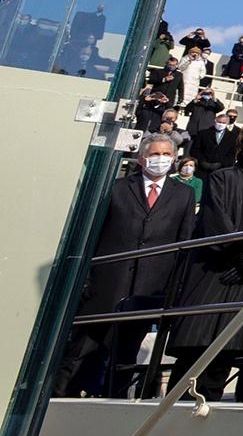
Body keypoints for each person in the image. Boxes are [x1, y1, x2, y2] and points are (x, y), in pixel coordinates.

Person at [55, 133, 196, 397]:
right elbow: (92, 235)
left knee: (126, 354)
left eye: (167, 155)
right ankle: (62, 399)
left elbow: (183, 242)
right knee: (83, 349)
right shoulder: (117, 188)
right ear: (142, 157)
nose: (161, 159)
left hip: (148, 289)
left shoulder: (184, 194)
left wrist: (173, 289)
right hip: (107, 283)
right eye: (155, 154)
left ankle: (113, 403)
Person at [166, 114, 243, 400]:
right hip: (214, 275)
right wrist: (240, 255)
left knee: (225, 356)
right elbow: (215, 220)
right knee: (194, 355)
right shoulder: (221, 178)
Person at [189, 107, 240, 178]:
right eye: (219, 122)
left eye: (223, 123)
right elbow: (194, 150)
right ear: (215, 121)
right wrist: (202, 161)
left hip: (220, 172)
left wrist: (220, 163)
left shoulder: (233, 137)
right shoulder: (203, 133)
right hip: (201, 169)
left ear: (227, 123)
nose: (220, 124)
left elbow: (232, 155)